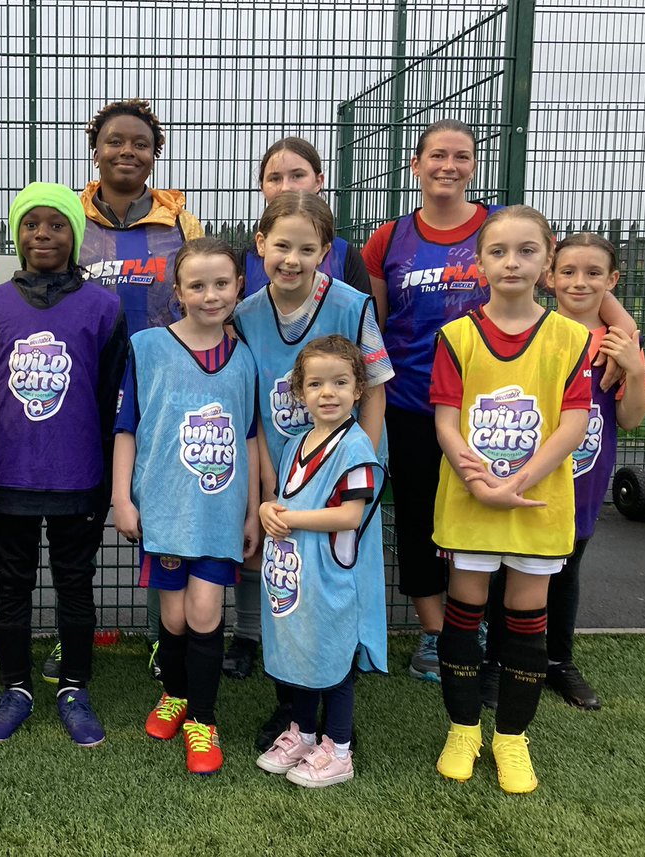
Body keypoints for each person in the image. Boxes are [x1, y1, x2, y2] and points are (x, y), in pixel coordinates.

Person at [362, 119, 632, 684]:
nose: (448, 166)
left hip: (501, 411)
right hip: (416, 404)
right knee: (419, 522)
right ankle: (438, 637)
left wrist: (628, 345)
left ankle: (490, 634)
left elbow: (596, 304)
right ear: (416, 164)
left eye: (461, 156)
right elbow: (379, 322)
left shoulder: (501, 228)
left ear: (473, 166)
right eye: (437, 155)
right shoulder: (388, 238)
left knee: (498, 513)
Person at [430, 206, 592, 795]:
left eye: (527, 251)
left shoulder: (572, 338)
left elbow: (572, 425)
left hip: (536, 504)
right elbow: (447, 423)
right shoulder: (457, 336)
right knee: (463, 614)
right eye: (498, 252)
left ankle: (512, 738)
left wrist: (517, 484)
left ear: (547, 260)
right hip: (471, 501)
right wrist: (479, 483)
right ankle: (463, 728)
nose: (512, 262)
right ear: (480, 263)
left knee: (527, 620)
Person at [47, 98, 206, 686]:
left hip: (162, 390)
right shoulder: (70, 217)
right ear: (95, 147)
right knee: (81, 524)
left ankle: (166, 641)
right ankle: (72, 638)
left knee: (164, 516)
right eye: (115, 141)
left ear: (154, 154)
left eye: (140, 143)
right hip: (84, 389)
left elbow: (202, 296)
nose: (127, 152)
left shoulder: (182, 223)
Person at [232, 191, 392, 750]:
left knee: (335, 588)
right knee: (289, 588)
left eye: (307, 248)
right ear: (261, 246)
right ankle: (294, 713)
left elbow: (374, 390)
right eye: (281, 246)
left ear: (326, 251)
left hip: (342, 474)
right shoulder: (247, 312)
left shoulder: (351, 304)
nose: (292, 259)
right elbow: (251, 406)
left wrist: (360, 461)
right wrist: (269, 485)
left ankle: (337, 713)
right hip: (284, 474)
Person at [0, 183, 127, 747]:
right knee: (11, 585)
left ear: (75, 236)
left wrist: (98, 465)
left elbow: (109, 392)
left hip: (78, 475)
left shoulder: (105, 307)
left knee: (75, 584)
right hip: (11, 475)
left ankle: (74, 688)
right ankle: (16, 688)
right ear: (17, 233)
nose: (43, 234)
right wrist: (10, 446)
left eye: (57, 224)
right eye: (32, 224)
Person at [482, 234, 645, 712]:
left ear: (612, 281)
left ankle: (559, 662)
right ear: (550, 277)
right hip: (526, 475)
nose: (581, 282)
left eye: (594, 273)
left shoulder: (619, 342)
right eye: (569, 272)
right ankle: (494, 662)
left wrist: (633, 369)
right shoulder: (536, 330)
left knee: (567, 569)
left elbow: (632, 418)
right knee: (505, 569)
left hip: (584, 480)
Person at [114, 237, 259, 774]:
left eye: (221, 283)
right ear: (177, 292)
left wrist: (251, 510)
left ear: (238, 287)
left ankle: (203, 720)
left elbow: (248, 437)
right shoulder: (147, 347)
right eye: (196, 285)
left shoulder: (244, 358)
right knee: (173, 617)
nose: (210, 294)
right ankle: (174, 694)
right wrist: (121, 498)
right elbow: (125, 430)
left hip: (219, 513)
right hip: (165, 508)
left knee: (204, 613)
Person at [254, 335, 387, 789]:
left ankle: (340, 750)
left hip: (333, 579)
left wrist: (289, 516)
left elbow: (350, 514)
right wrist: (266, 509)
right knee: (301, 658)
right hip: (293, 578)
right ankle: (304, 734)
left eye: (340, 382)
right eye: (316, 384)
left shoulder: (356, 448)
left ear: (358, 390)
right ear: (299, 392)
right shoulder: (295, 443)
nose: (327, 393)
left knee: (333, 664)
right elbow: (283, 498)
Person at [242, 136, 370, 298]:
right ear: (262, 187)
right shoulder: (246, 259)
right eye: (275, 179)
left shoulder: (346, 257)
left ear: (318, 181)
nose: (286, 187)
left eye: (297, 176)